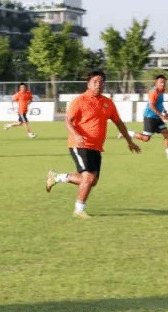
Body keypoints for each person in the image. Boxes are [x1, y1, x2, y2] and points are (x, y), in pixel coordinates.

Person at [46, 71, 140, 218]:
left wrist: (130, 141)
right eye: (95, 82)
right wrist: (76, 135)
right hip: (80, 144)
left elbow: (119, 123)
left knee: (92, 181)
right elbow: (67, 121)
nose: (98, 84)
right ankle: (79, 209)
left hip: (96, 147)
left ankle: (57, 177)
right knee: (88, 178)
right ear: (88, 84)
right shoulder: (79, 101)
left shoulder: (108, 103)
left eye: (101, 81)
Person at [130, 75, 168, 160]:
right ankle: (129, 133)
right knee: (146, 138)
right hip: (150, 117)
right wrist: (161, 115)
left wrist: (165, 112)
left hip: (157, 117)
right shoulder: (153, 92)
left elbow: (160, 104)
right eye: (161, 82)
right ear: (156, 83)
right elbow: (151, 106)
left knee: (166, 134)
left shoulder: (161, 92)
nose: (163, 84)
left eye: (164, 82)